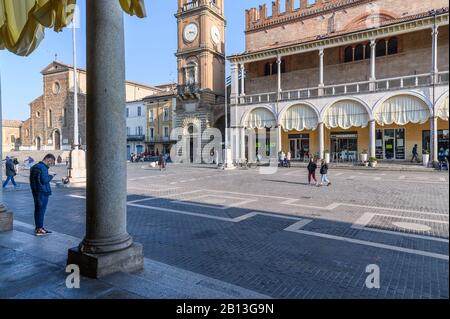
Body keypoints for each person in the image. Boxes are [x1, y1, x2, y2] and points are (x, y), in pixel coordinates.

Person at [30, 154, 56, 236]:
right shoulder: (43, 167)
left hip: (36, 191)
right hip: (43, 192)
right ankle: (39, 229)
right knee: (41, 210)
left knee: (37, 210)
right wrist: (51, 175)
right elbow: (44, 180)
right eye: (51, 162)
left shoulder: (34, 166)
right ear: (48, 159)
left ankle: (38, 227)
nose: (50, 164)